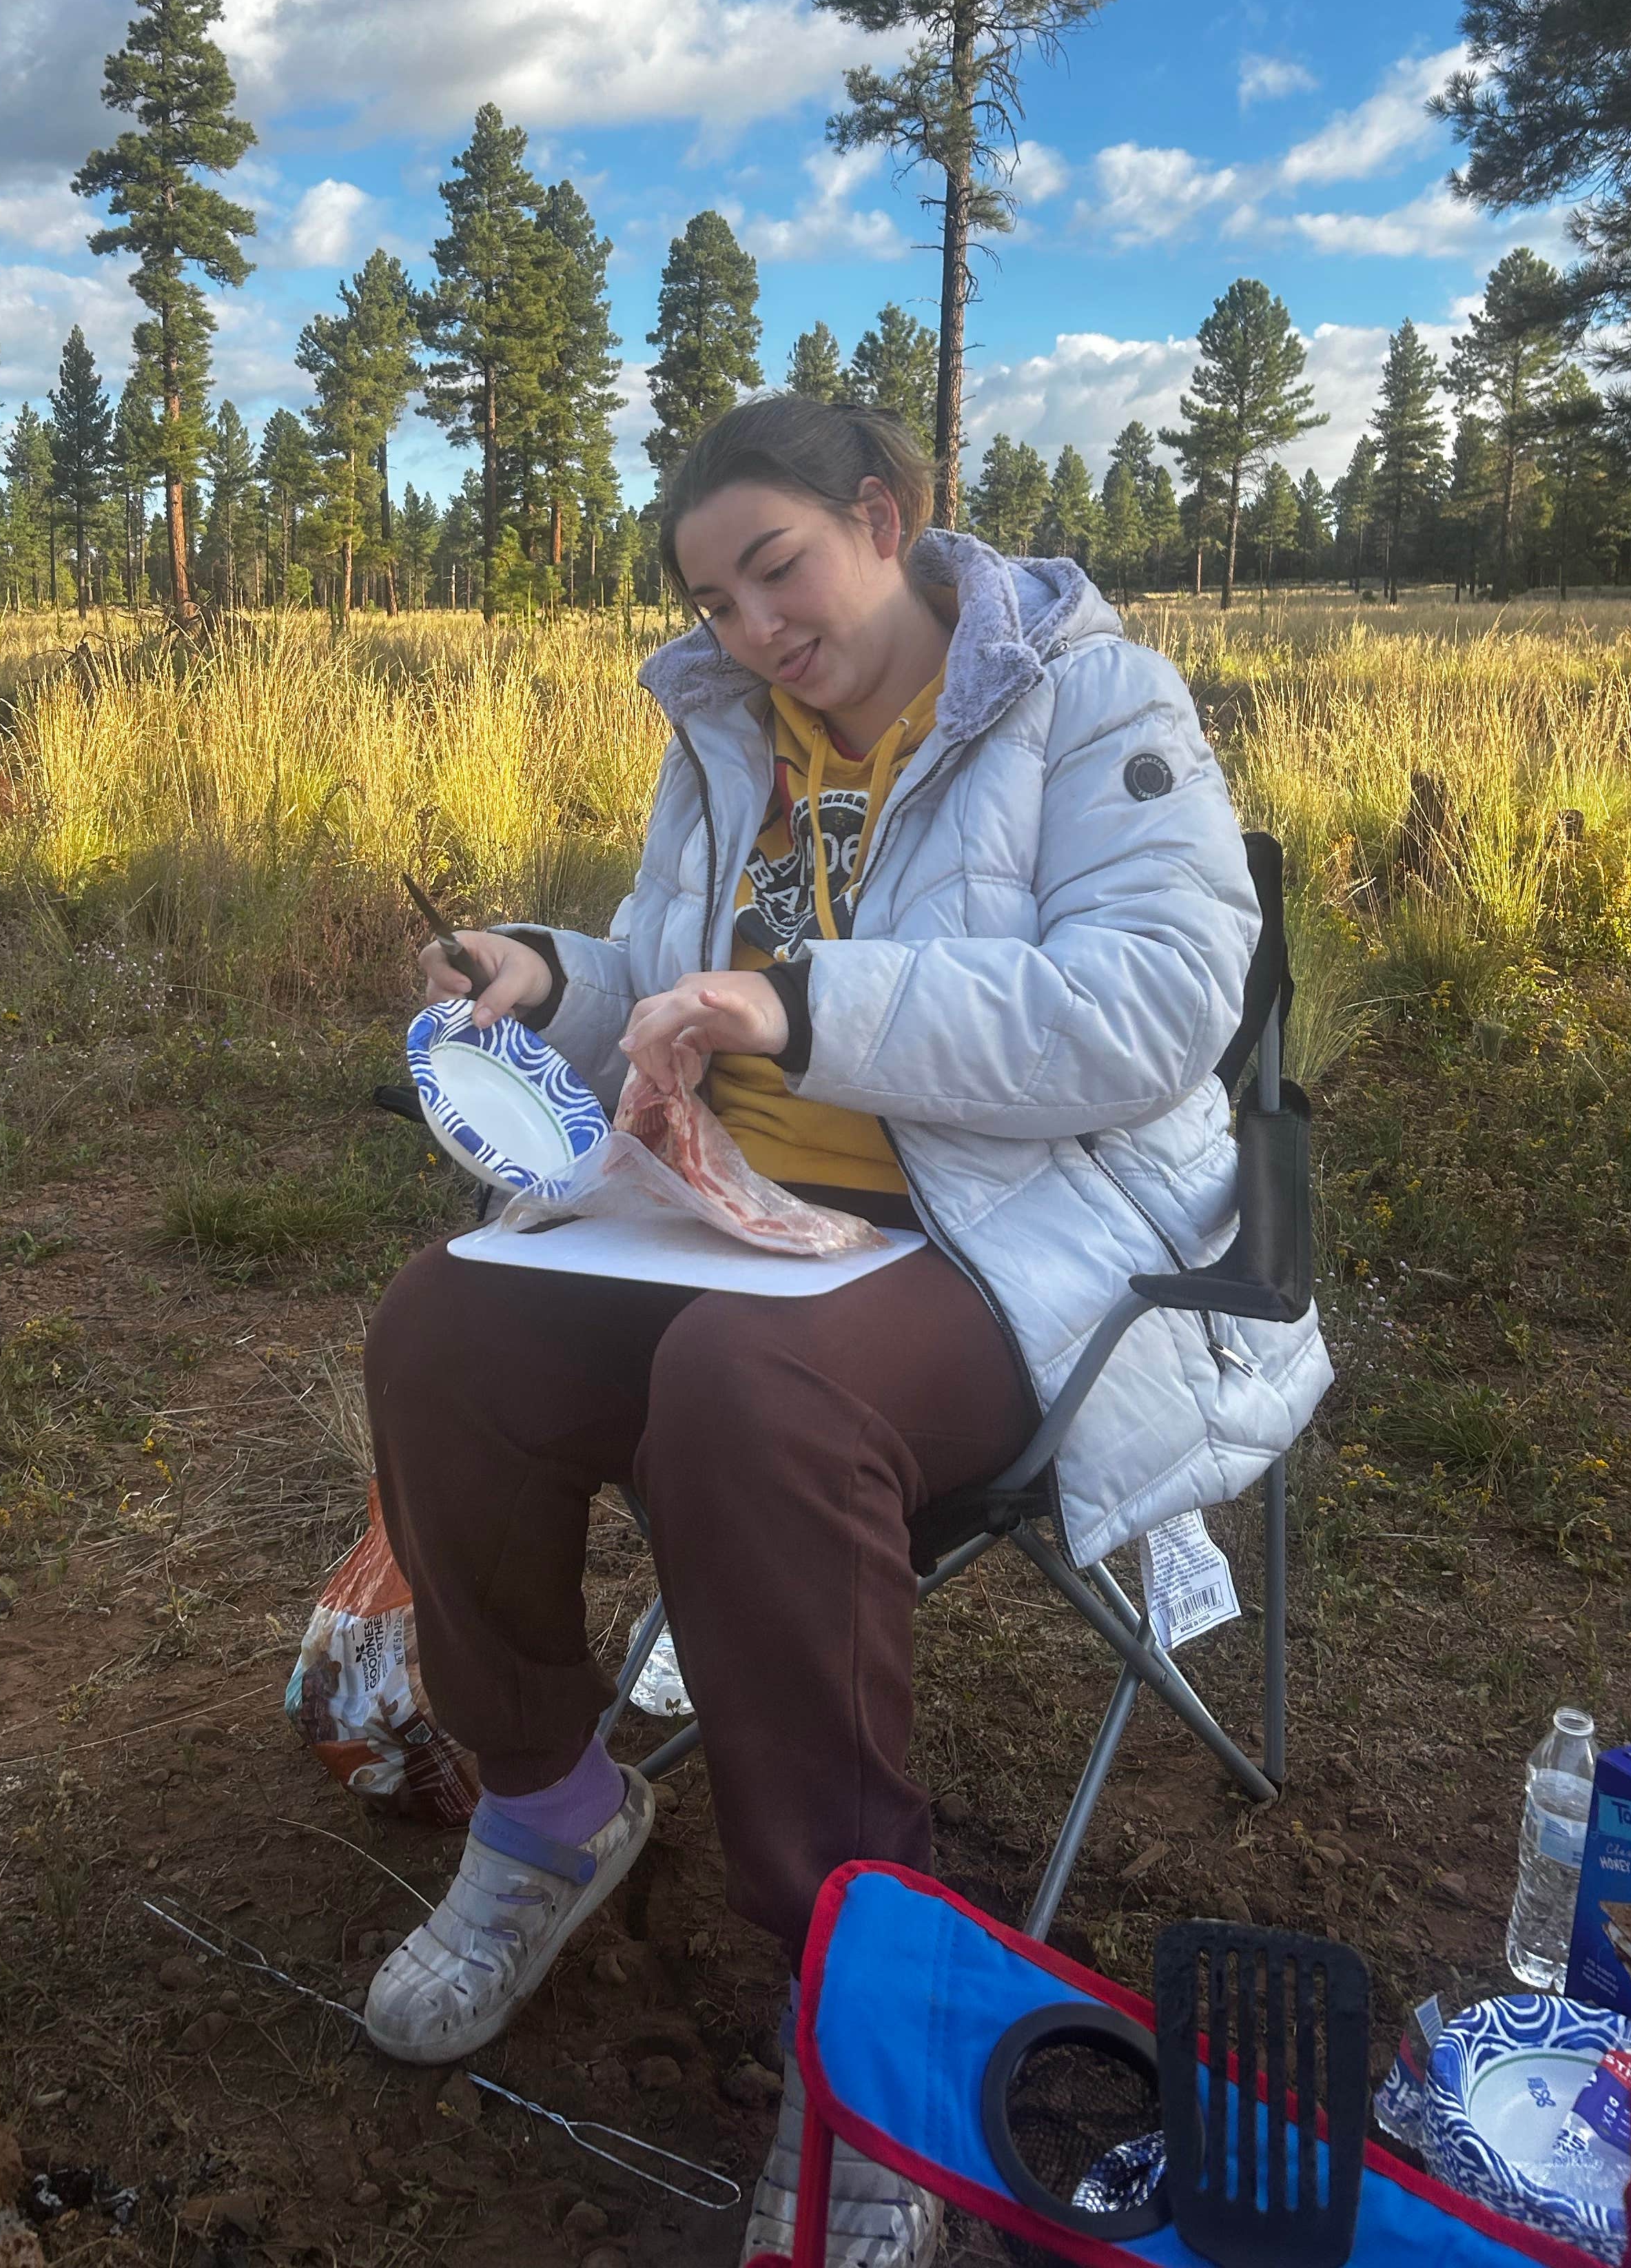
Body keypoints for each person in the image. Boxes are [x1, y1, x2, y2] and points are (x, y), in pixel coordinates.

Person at [362, 395, 1330, 2267]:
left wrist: (802, 1010)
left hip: (1021, 1238)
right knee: (444, 1331)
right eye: (715, 597)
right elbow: (668, 971)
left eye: (776, 566)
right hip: (736, 1214)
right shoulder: (730, 740)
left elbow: (1146, 1012)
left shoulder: (1094, 704)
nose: (751, 625)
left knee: (751, 1385)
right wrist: (551, 982)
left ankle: (871, 2005)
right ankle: (550, 1814)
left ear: (886, 518)